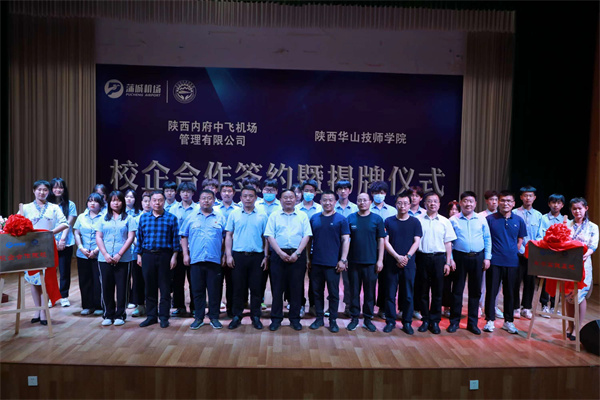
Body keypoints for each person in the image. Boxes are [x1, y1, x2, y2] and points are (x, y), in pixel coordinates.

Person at [20, 180, 69, 325]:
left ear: (49, 192)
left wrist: (50, 233)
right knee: (33, 279)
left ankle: (43, 312)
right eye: (39, 190)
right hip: (30, 248)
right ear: (34, 191)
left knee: (45, 279)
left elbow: (64, 223)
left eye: (45, 190)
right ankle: (37, 310)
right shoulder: (25, 208)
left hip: (47, 246)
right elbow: (17, 223)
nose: (42, 192)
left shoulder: (54, 207)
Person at [264, 189, 312, 331]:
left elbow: (306, 236)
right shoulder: (274, 216)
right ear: (280, 200)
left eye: (291, 197)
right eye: (285, 197)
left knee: (296, 289)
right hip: (278, 255)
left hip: (297, 255)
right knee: (277, 289)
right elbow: (269, 235)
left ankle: (295, 319)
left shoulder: (302, 215)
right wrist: (279, 253)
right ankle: (276, 319)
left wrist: (297, 253)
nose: (289, 200)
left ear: (296, 199)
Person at [181, 189, 227, 330]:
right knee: (197, 290)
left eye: (209, 198)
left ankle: (214, 317)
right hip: (196, 259)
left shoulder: (220, 217)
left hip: (214, 259)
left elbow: (226, 237)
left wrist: (224, 254)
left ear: (214, 200)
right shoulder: (191, 217)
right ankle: (199, 318)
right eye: (203, 198)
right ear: (199, 200)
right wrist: (185, 254)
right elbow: (183, 236)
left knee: (214, 291)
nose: (206, 201)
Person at [225, 186, 269, 330]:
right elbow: (229, 235)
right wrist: (228, 255)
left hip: (257, 256)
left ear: (256, 198)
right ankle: (237, 316)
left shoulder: (262, 215)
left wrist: (266, 256)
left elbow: (266, 238)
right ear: (241, 198)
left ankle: (255, 316)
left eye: (251, 196)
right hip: (238, 256)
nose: (248, 199)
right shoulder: (234, 214)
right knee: (238, 288)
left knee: (256, 289)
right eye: (245, 196)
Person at [447, 192, 491, 335]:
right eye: (465, 201)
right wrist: (450, 258)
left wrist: (487, 257)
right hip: (459, 257)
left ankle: (473, 323)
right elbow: (448, 241)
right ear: (460, 203)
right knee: (457, 290)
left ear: (475, 203)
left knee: (475, 291)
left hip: (478, 257)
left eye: (471, 201)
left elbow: (487, 239)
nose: (468, 204)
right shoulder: (453, 220)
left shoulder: (481, 219)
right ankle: (454, 322)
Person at [484, 190, 527, 334]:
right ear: (498, 202)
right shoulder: (490, 219)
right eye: (502, 200)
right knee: (492, 292)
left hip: (512, 262)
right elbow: (486, 239)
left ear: (513, 203)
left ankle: (508, 321)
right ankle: (490, 320)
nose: (505, 203)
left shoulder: (519, 220)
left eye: (509, 201)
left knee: (510, 292)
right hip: (494, 261)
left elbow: (520, 239)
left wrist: (513, 252)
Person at [136, 190, 181, 328]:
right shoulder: (144, 218)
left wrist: (174, 256)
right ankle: (151, 316)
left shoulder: (171, 218)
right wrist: (139, 255)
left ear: (164, 202)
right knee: (149, 287)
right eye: (154, 200)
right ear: (150, 202)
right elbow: (140, 238)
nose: (157, 203)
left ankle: (164, 316)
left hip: (165, 256)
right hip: (147, 255)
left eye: (160, 200)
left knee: (165, 287)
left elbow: (175, 240)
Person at [307, 190, 350, 333]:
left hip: (333, 263)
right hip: (316, 261)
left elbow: (345, 240)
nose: (327, 203)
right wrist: (308, 258)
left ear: (335, 202)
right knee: (317, 292)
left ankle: (333, 320)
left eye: (330, 200)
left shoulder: (341, 219)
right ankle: (319, 318)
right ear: (320, 202)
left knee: (333, 293)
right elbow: (309, 240)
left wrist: (343, 259)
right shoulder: (314, 218)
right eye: (325, 200)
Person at [415, 192, 456, 334]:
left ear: (439, 204)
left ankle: (435, 321)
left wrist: (448, 262)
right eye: (429, 201)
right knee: (423, 291)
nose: (432, 204)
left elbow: (448, 243)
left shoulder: (445, 221)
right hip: (422, 258)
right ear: (425, 204)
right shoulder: (418, 220)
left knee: (438, 292)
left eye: (435, 201)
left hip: (439, 259)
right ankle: (425, 319)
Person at [382, 191, 422, 334]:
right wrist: (397, 257)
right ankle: (390, 321)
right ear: (396, 204)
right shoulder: (389, 221)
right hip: (391, 263)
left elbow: (417, 241)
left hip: (409, 264)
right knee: (390, 294)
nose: (402, 206)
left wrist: (407, 257)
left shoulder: (415, 222)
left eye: (405, 203)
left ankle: (407, 322)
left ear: (410, 205)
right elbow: (385, 241)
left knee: (408, 295)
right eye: (399, 203)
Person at [346, 192, 386, 332]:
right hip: (353, 262)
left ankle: (368, 318)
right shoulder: (351, 218)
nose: (362, 202)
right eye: (359, 200)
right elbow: (345, 240)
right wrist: (344, 258)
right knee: (354, 291)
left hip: (371, 262)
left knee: (369, 293)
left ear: (370, 202)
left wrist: (380, 260)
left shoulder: (377, 219)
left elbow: (381, 240)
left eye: (365, 200)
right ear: (356, 202)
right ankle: (354, 318)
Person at [95, 190, 136, 326]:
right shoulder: (102, 218)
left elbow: (130, 238)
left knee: (122, 287)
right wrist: (106, 254)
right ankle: (108, 314)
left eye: (118, 200)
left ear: (122, 202)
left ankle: (120, 314)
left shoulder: (129, 218)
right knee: (106, 287)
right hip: (104, 258)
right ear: (109, 202)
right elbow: (99, 237)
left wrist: (119, 254)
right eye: (113, 200)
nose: (116, 203)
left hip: (123, 259)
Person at [565, 197, 598, 340]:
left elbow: (593, 245)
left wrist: (585, 254)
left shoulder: (593, 227)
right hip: (568, 263)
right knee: (568, 295)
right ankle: (570, 325)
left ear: (586, 208)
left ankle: (577, 327)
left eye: (580, 208)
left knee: (580, 295)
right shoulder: (567, 225)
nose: (577, 211)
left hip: (584, 263)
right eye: (574, 209)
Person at [169, 182, 200, 318]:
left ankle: (195, 307)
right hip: (177, 249)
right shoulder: (173, 209)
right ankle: (180, 307)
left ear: (193, 193)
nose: (185, 194)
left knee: (194, 280)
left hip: (194, 249)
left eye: (188, 191)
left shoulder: (198, 208)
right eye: (183, 191)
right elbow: (170, 230)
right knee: (177, 280)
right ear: (179, 193)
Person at [513, 185, 542, 320]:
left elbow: (540, 235)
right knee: (515, 281)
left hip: (532, 254)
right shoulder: (514, 213)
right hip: (517, 253)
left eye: (530, 195)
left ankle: (526, 307)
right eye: (525, 195)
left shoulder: (538, 215)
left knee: (530, 282)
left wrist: (533, 248)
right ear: (521, 197)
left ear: (534, 198)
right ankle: (515, 307)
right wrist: (521, 249)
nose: (528, 198)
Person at [47, 177, 77, 308]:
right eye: (55, 187)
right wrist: (54, 240)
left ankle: (64, 296)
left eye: (60, 187)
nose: (58, 190)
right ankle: (51, 297)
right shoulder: (47, 205)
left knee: (65, 271)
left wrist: (62, 240)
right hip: (49, 242)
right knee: (50, 272)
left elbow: (68, 224)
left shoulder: (70, 205)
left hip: (66, 241)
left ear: (64, 189)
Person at [73, 193, 105, 316]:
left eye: (95, 201)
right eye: (90, 201)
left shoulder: (104, 217)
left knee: (98, 280)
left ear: (100, 204)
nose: (92, 203)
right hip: (83, 254)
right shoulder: (81, 217)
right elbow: (77, 233)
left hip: (99, 254)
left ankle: (99, 305)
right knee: (84, 280)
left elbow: (104, 236)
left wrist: (96, 250)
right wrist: (81, 248)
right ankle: (87, 305)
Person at [295, 179, 322, 316]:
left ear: (315, 193)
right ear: (301, 192)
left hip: (317, 250)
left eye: (311, 191)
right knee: (298, 279)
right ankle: (299, 304)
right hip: (299, 250)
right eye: (306, 190)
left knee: (315, 280)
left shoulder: (320, 209)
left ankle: (313, 305)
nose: (308, 193)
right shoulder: (296, 208)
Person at [215, 180, 241, 317]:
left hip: (233, 250)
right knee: (216, 282)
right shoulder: (215, 209)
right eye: (224, 191)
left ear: (234, 193)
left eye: (229, 191)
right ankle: (215, 310)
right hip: (216, 251)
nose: (226, 193)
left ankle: (232, 310)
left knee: (232, 282)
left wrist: (228, 253)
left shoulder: (239, 209)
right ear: (220, 193)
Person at [538, 193, 566, 317]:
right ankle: (544, 305)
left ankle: (554, 306)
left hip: (559, 255)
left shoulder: (565, 220)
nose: (556, 205)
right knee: (545, 281)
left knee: (558, 281)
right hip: (546, 253)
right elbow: (539, 235)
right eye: (553, 202)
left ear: (562, 205)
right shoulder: (543, 218)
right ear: (549, 204)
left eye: (559, 203)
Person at [131, 192, 151, 318]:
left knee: (151, 281)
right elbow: (132, 236)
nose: (147, 204)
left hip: (151, 254)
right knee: (138, 280)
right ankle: (140, 305)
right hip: (137, 253)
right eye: (145, 201)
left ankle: (151, 305)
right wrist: (140, 248)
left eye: (150, 201)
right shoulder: (136, 219)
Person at [442, 200, 461, 318]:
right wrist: (450, 260)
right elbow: (448, 243)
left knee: (458, 284)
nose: (454, 212)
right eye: (452, 209)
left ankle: (455, 307)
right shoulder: (445, 222)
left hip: (459, 257)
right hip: (447, 257)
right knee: (446, 283)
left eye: (456, 209)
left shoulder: (460, 222)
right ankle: (446, 307)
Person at [124, 189, 141, 310]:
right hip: (124, 250)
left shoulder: (140, 214)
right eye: (127, 197)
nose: (129, 199)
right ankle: (126, 299)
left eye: (132, 197)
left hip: (135, 250)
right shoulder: (120, 213)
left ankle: (135, 299)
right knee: (125, 276)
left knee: (136, 277)